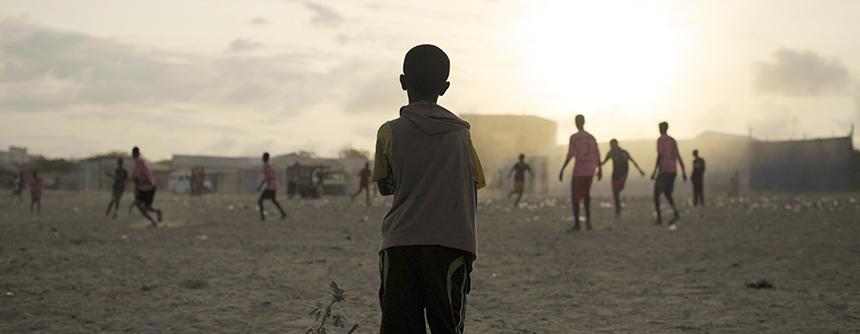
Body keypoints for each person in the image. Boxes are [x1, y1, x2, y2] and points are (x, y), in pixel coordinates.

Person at [372, 44, 485, 334]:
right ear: (445, 87)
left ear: (402, 82)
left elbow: (386, 185)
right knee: (447, 327)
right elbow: (475, 180)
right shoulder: (461, 133)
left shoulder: (388, 131)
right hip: (450, 244)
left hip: (401, 243)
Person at [558, 114, 602, 232]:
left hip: (580, 171)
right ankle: (588, 222)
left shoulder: (574, 138)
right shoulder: (591, 137)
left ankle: (577, 224)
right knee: (586, 195)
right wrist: (600, 169)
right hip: (590, 170)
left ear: (576, 123)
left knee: (575, 197)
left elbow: (570, 154)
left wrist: (562, 169)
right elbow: (597, 153)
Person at [650, 122, 686, 226]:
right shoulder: (673, 140)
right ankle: (675, 212)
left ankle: (659, 218)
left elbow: (660, 155)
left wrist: (654, 171)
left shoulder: (660, 140)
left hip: (665, 170)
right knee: (667, 193)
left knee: (656, 194)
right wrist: (683, 171)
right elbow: (678, 156)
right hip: (673, 170)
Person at [600, 139, 645, 217]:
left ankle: (618, 207)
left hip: (622, 174)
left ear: (616, 144)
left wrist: (640, 170)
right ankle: (618, 208)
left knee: (617, 190)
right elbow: (603, 162)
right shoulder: (612, 153)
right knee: (615, 192)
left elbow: (632, 161)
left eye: (612, 145)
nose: (611, 146)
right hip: (615, 174)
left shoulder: (623, 152)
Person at [131, 147, 162, 226]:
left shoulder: (139, 162)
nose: (132, 155)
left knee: (143, 207)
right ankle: (155, 218)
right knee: (143, 207)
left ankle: (154, 219)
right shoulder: (139, 162)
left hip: (147, 187)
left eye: (134, 153)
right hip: (145, 187)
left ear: (136, 153)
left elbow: (138, 175)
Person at [257, 152, 287, 221]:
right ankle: (283, 213)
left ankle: (262, 217)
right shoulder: (269, 166)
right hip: (274, 185)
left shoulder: (266, 166)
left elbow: (267, 178)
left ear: (264, 158)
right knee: (274, 200)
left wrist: (260, 186)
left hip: (270, 186)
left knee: (260, 201)